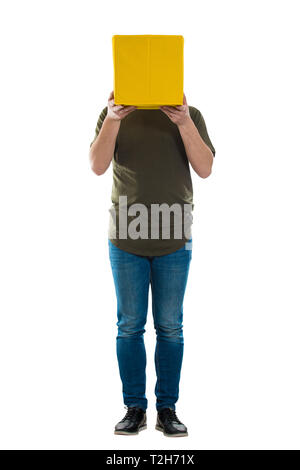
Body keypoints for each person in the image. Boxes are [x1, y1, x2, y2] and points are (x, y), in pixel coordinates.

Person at [89, 91, 215, 437]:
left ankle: (167, 409)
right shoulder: (112, 115)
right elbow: (98, 165)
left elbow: (205, 168)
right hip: (126, 237)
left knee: (170, 327)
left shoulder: (192, 115)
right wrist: (113, 119)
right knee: (129, 325)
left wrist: (184, 120)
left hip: (175, 236)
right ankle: (134, 408)